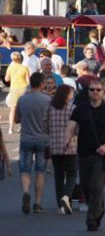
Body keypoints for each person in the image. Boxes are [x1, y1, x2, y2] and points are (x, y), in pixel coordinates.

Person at [65, 79, 105, 231]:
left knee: (96, 187)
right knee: (85, 187)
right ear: (88, 92)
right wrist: (66, 142)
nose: (95, 92)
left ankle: (91, 219)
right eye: (92, 90)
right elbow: (71, 127)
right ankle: (99, 208)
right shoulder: (80, 109)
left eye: (98, 90)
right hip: (83, 153)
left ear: (103, 92)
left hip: (100, 155)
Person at [16, 72, 51, 214]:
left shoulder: (22, 99)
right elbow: (50, 120)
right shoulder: (48, 100)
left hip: (26, 138)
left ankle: (25, 191)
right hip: (43, 138)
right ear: (42, 83)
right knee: (40, 172)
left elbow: (17, 119)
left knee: (25, 170)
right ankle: (37, 203)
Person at [46, 84, 78, 215]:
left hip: (54, 144)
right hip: (70, 145)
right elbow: (77, 127)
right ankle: (67, 196)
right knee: (71, 173)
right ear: (67, 95)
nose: (72, 96)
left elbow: (44, 125)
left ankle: (61, 205)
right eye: (71, 94)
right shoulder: (73, 108)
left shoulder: (50, 108)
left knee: (58, 175)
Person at [5, 51, 30, 134]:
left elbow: (6, 79)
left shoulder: (10, 67)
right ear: (20, 58)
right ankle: (21, 126)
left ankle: (11, 128)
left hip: (14, 89)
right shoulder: (25, 68)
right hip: (23, 89)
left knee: (13, 109)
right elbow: (28, 81)